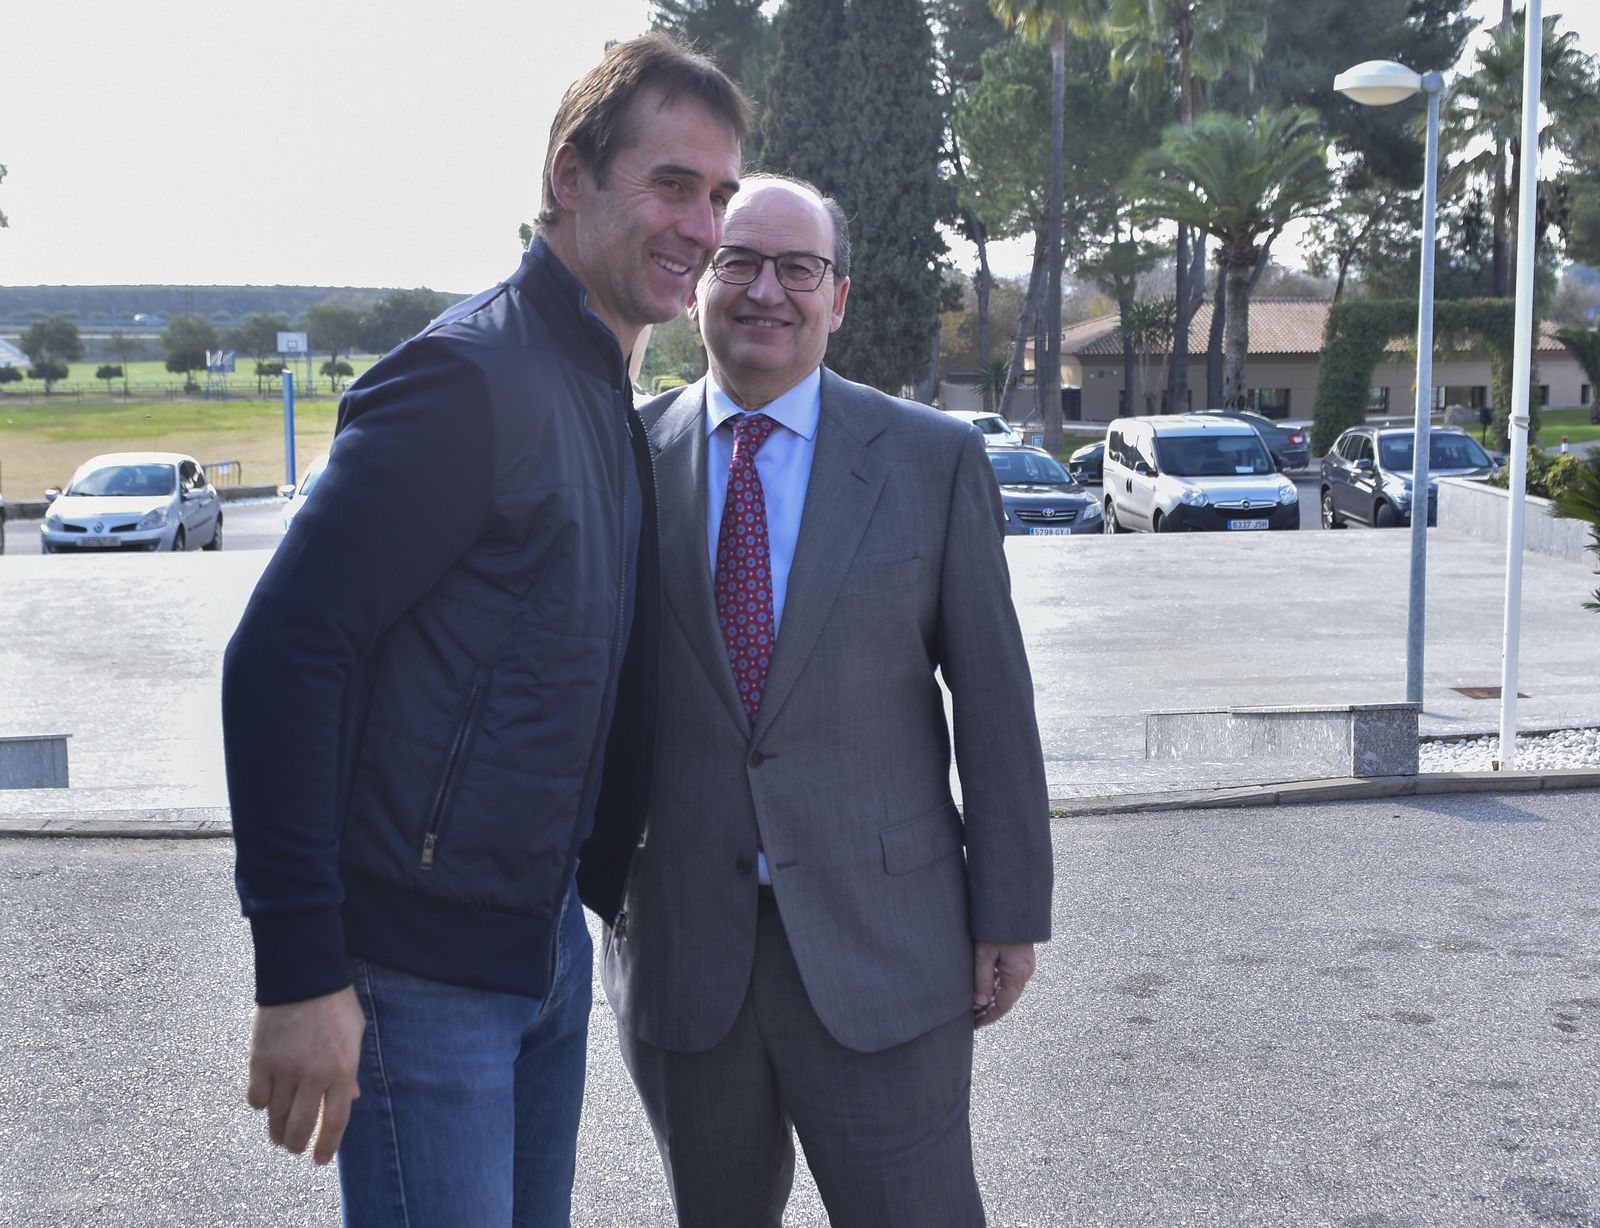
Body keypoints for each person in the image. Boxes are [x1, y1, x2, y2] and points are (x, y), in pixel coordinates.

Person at [220, 35, 746, 1227]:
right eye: (672, 184)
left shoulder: (598, 388)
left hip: (540, 941)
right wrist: (301, 969)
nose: (703, 226)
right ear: (572, 175)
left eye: (716, 194)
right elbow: (284, 656)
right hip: (419, 971)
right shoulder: (470, 380)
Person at [603, 175, 1054, 1227]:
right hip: (684, 951)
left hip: (886, 947)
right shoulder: (622, 454)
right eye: (739, 263)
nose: (767, 291)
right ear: (697, 286)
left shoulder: (929, 460)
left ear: (836, 297)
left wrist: (1009, 909)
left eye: (796, 268)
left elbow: (993, 698)